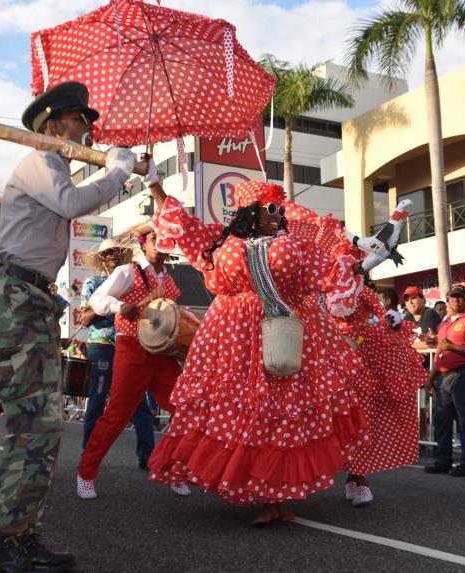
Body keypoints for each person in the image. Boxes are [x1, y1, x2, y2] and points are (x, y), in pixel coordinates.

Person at [0, 81, 135, 573]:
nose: (90, 131)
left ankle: (21, 534)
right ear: (56, 124)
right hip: (15, 296)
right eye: (84, 122)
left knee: (44, 426)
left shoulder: (54, 164)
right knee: (33, 424)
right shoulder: (40, 159)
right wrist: (119, 172)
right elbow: (71, 204)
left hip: (33, 296)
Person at [145, 177, 368, 525]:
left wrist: (357, 260)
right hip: (234, 337)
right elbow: (182, 227)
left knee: (284, 411)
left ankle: (280, 496)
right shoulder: (221, 239)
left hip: (288, 328)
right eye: (271, 209)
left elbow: (328, 271)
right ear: (251, 211)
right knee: (247, 410)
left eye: (280, 209)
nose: (277, 215)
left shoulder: (294, 243)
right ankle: (262, 493)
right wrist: (154, 184)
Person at [76, 224, 186, 499]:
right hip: (131, 348)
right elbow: (98, 299)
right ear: (143, 242)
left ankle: (174, 469)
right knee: (116, 416)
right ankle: (86, 472)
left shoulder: (170, 283)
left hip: (162, 352)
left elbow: (172, 317)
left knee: (185, 409)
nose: (160, 241)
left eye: (164, 237)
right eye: (153, 237)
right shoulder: (127, 272)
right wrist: (118, 307)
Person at [334, 281, 425, 506]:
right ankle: (352, 474)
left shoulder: (362, 291)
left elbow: (383, 314)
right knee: (342, 420)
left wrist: (392, 324)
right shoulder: (327, 290)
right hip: (335, 352)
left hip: (363, 353)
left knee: (363, 418)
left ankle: (360, 477)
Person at [78, 238, 157, 469]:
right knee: (98, 399)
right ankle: (88, 455)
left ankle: (147, 455)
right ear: (102, 258)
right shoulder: (93, 282)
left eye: (117, 252)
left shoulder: (132, 279)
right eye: (109, 253)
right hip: (102, 345)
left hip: (131, 344)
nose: (113, 255)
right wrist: (113, 306)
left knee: (138, 402)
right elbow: (84, 318)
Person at [423, 285, 465, 477]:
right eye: (453, 297)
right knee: (442, 420)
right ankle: (443, 460)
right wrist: (430, 377)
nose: (456, 300)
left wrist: (452, 346)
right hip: (443, 376)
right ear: (448, 299)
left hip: (463, 374)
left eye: (460, 297)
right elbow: (440, 352)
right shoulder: (444, 323)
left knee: (464, 420)